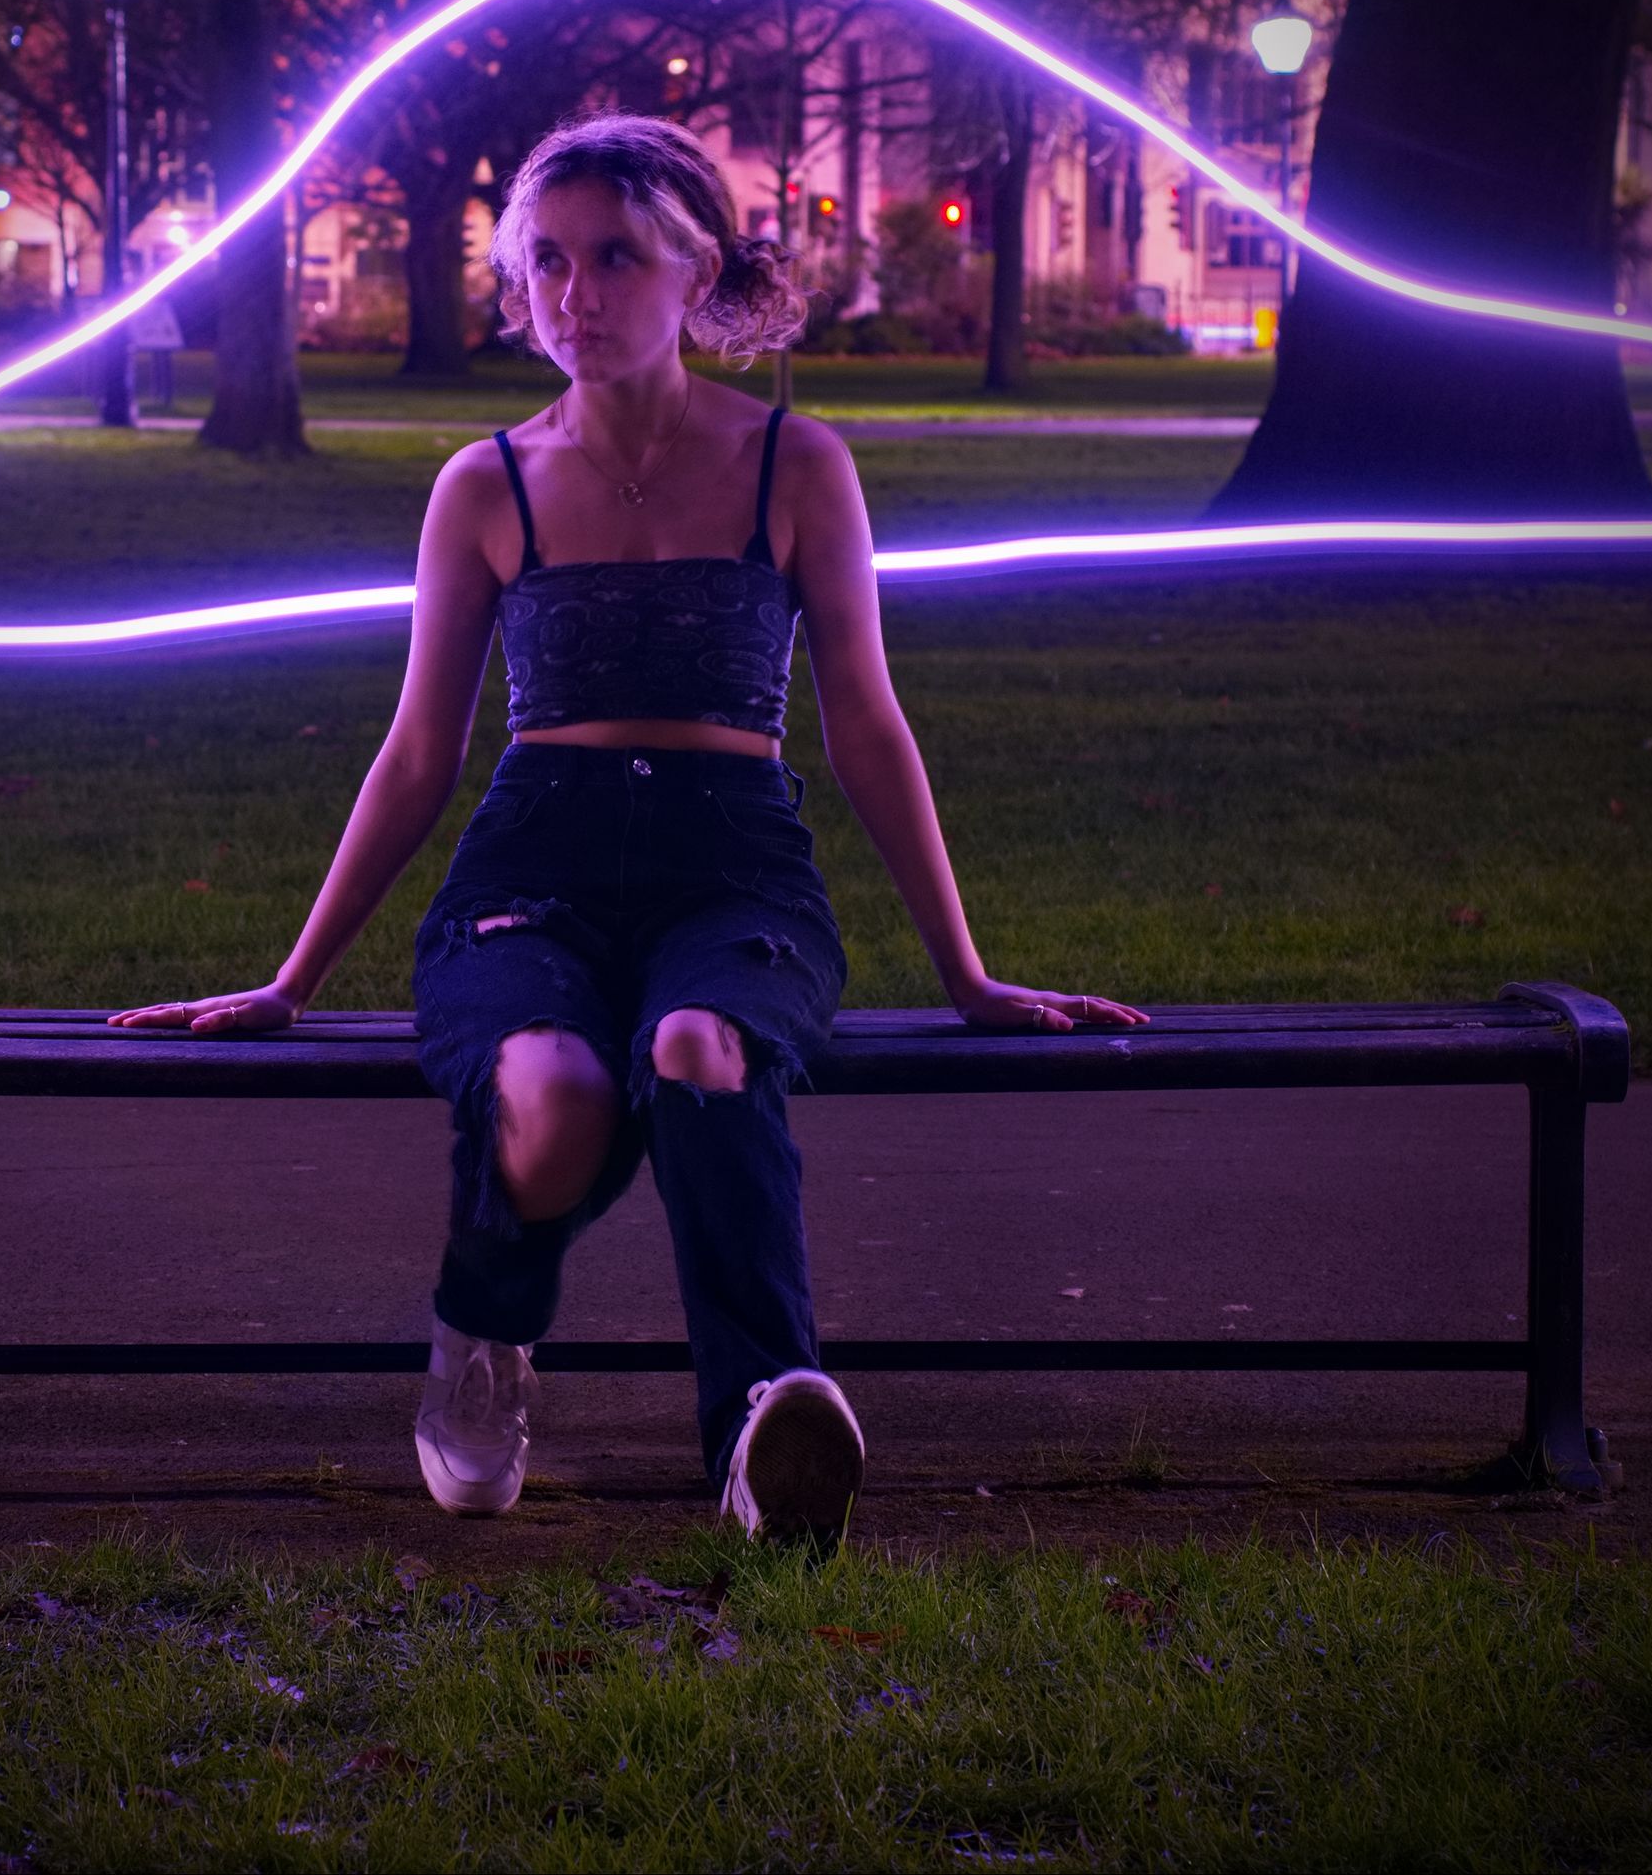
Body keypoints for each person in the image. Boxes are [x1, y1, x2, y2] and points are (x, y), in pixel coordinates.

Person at [110, 113, 1145, 1541]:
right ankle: (482, 1335)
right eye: (544, 261)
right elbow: (420, 752)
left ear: (694, 267)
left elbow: (867, 731)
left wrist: (968, 974)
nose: (572, 295)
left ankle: (764, 1428)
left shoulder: (798, 465)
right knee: (556, 1097)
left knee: (696, 1049)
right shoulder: (488, 484)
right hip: (533, 860)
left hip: (736, 867)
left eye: (612, 257)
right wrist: (290, 980)